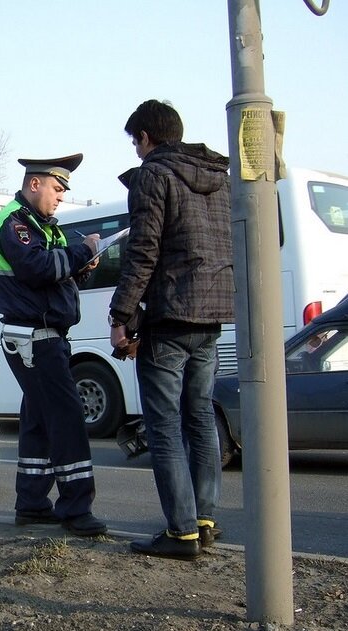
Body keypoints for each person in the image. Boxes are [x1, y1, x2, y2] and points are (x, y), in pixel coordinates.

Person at [109, 99, 234, 560]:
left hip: (170, 318)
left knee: (163, 427)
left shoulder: (152, 176)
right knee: (199, 418)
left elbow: (143, 252)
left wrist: (120, 315)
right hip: (212, 316)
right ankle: (203, 519)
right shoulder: (218, 179)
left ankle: (180, 532)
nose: (136, 152)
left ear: (146, 137)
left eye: (135, 142)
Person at [0, 153, 107, 537]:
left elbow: (55, 280)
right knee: (68, 419)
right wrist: (83, 252)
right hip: (35, 340)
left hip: (42, 338)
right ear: (34, 184)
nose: (60, 198)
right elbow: (38, 270)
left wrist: (81, 267)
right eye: (56, 189)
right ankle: (75, 508)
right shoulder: (15, 224)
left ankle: (33, 504)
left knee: (38, 422)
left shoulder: (45, 227)